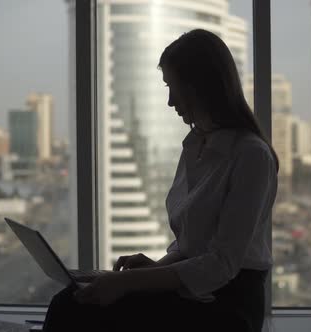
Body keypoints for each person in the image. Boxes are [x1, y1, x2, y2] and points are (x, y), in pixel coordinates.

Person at [42, 29, 279, 332]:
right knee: (74, 298)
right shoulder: (196, 145)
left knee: (72, 308)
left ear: (199, 87)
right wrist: (156, 268)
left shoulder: (251, 156)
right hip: (197, 292)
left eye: (173, 87)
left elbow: (221, 263)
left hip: (227, 305)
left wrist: (129, 282)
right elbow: (192, 244)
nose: (169, 101)